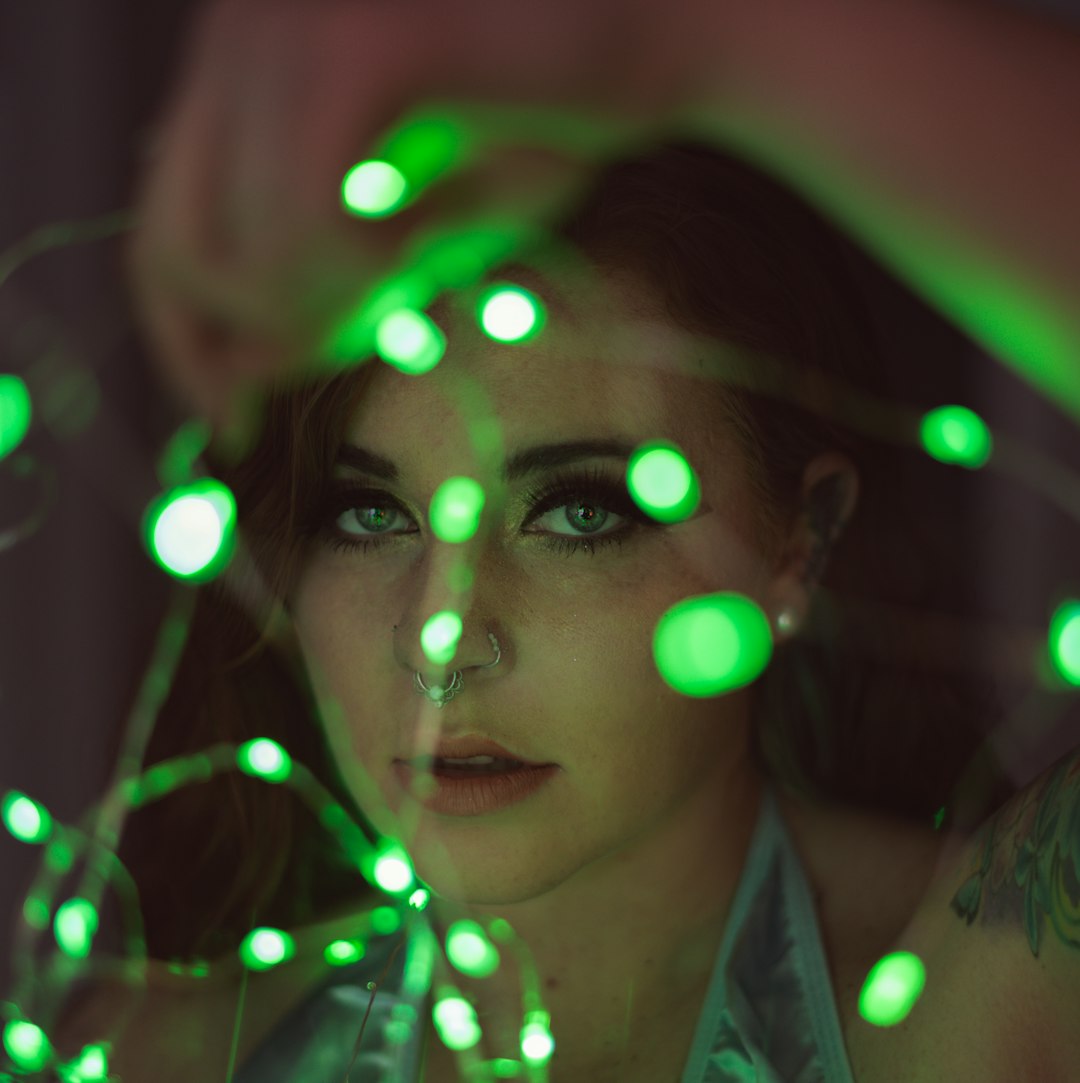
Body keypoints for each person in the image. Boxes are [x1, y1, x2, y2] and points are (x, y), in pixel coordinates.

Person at [45, 1, 1080, 1081]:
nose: (442, 640)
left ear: (802, 545)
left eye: (578, 515)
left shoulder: (987, 985)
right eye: (369, 514)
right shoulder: (149, 1053)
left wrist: (694, 33)